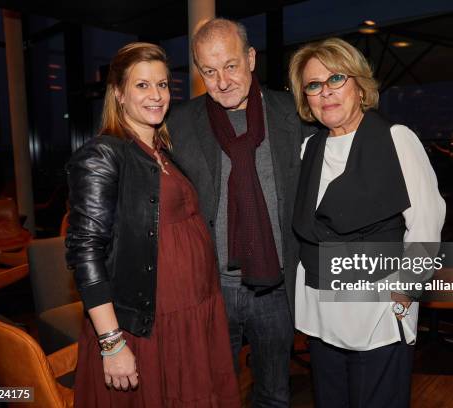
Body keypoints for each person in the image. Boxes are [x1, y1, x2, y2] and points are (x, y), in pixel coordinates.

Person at [65, 42, 239, 407]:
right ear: (119, 94)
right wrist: (112, 343)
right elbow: (85, 253)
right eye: (142, 85)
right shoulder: (104, 154)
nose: (156, 95)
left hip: (193, 313)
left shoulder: (162, 151)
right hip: (150, 324)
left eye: (162, 85)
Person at [288, 38, 445, 407]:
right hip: (320, 309)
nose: (325, 92)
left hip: (376, 312)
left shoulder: (396, 140)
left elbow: (426, 224)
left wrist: (406, 295)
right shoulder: (308, 148)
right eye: (314, 84)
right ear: (305, 97)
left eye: (336, 78)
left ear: (359, 85)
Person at [167, 18, 314, 407]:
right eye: (209, 71)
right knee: (212, 395)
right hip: (210, 289)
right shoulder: (178, 125)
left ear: (251, 58)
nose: (222, 81)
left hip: (276, 287)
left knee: (274, 393)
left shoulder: (293, 114)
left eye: (231, 66)